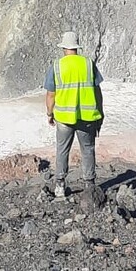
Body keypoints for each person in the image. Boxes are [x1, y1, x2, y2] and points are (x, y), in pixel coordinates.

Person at [44, 31, 104, 198]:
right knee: (88, 149)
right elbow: (97, 91)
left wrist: (49, 113)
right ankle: (89, 186)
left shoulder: (57, 66)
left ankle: (60, 186)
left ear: (63, 47)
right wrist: (100, 112)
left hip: (64, 118)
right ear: (77, 47)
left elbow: (51, 94)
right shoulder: (88, 64)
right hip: (87, 117)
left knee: (62, 150)